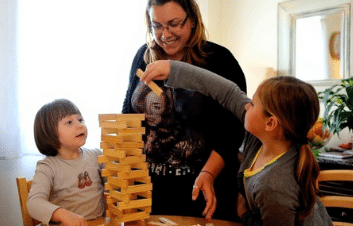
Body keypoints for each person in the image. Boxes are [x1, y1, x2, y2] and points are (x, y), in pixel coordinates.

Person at [140, 60, 333, 225]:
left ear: (270, 123)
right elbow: (225, 91)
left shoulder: (275, 186)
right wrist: (173, 68)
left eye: (254, 104)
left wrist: (243, 213)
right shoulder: (261, 138)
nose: (246, 104)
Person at [122, 0, 246, 221]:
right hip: (148, 189)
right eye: (156, 25)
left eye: (174, 24)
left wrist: (208, 174)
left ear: (192, 20)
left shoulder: (219, 60)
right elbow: (128, 115)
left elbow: (233, 131)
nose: (165, 34)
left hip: (202, 188)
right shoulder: (144, 55)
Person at [27, 99, 105, 226]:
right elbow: (34, 203)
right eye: (69, 122)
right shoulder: (47, 167)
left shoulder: (96, 156)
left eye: (80, 120)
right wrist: (62, 214)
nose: (80, 125)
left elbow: (116, 185)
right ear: (50, 132)